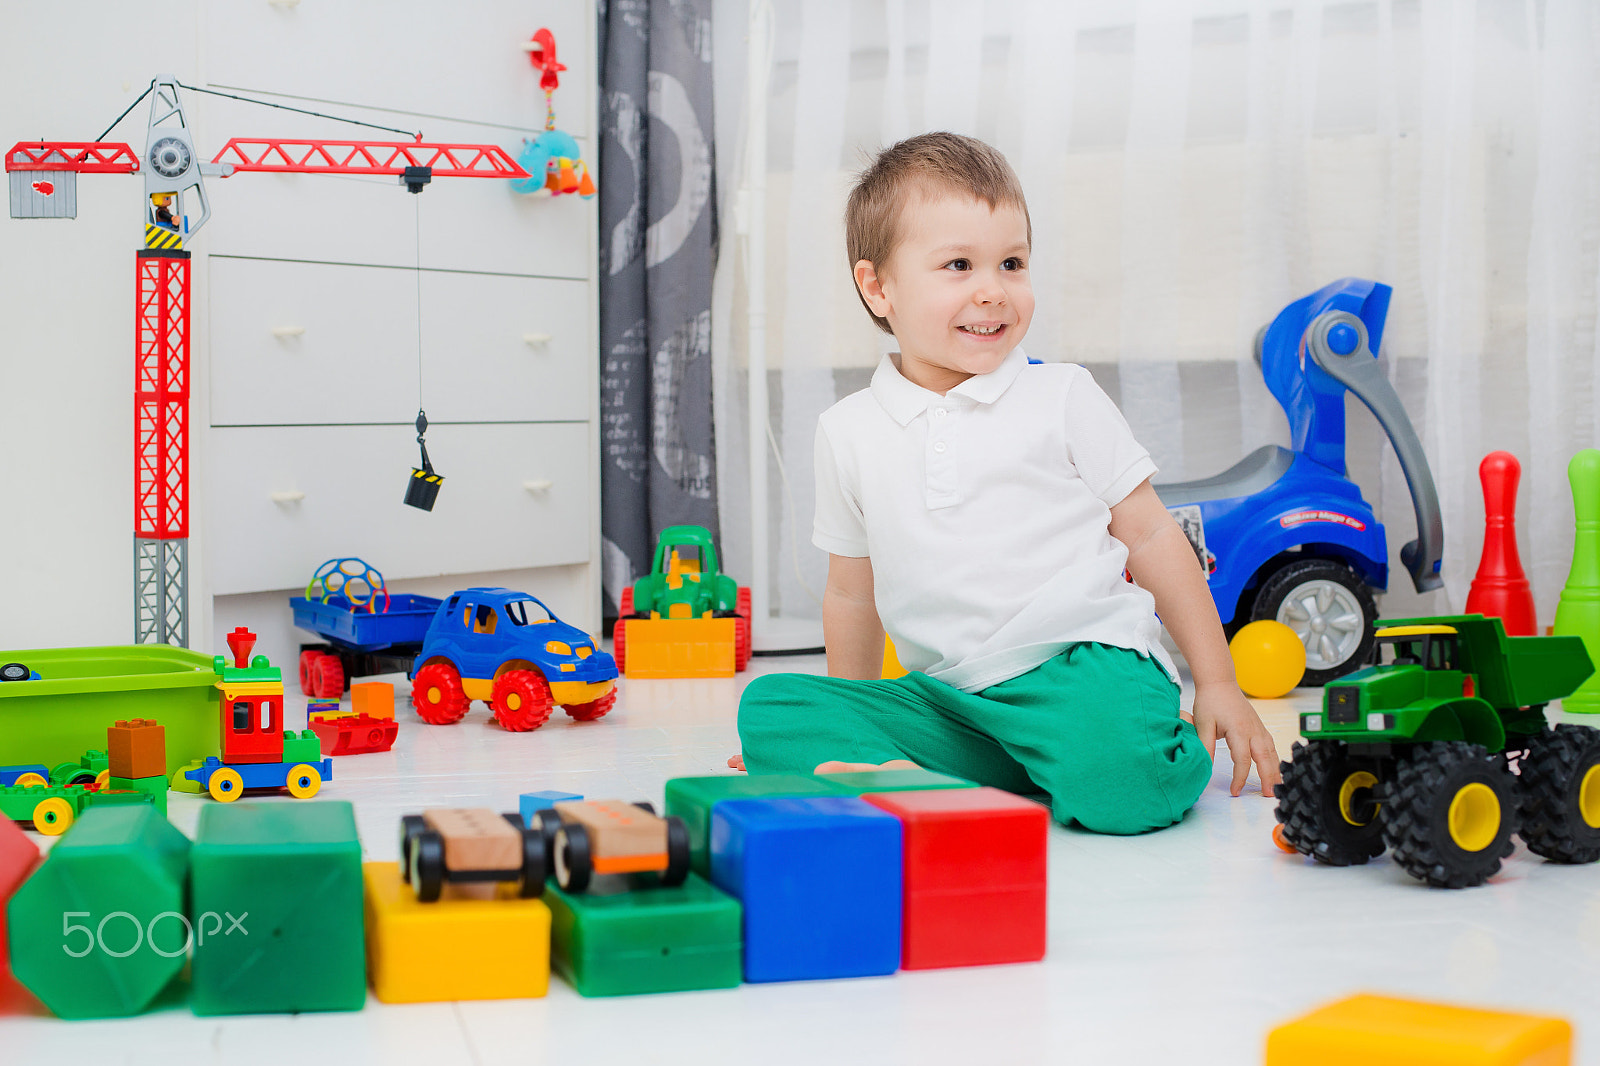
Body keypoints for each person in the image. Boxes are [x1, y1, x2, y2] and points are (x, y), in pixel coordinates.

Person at [733, 132, 1281, 834]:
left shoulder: (1061, 395)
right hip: (954, 699)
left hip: (1082, 666)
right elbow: (849, 591)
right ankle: (979, 773)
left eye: (1012, 263)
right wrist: (858, 724)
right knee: (772, 709)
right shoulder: (848, 430)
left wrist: (1217, 680)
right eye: (958, 265)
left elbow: (1149, 532)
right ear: (878, 287)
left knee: (1131, 787)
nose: (993, 290)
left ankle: (1101, 749)